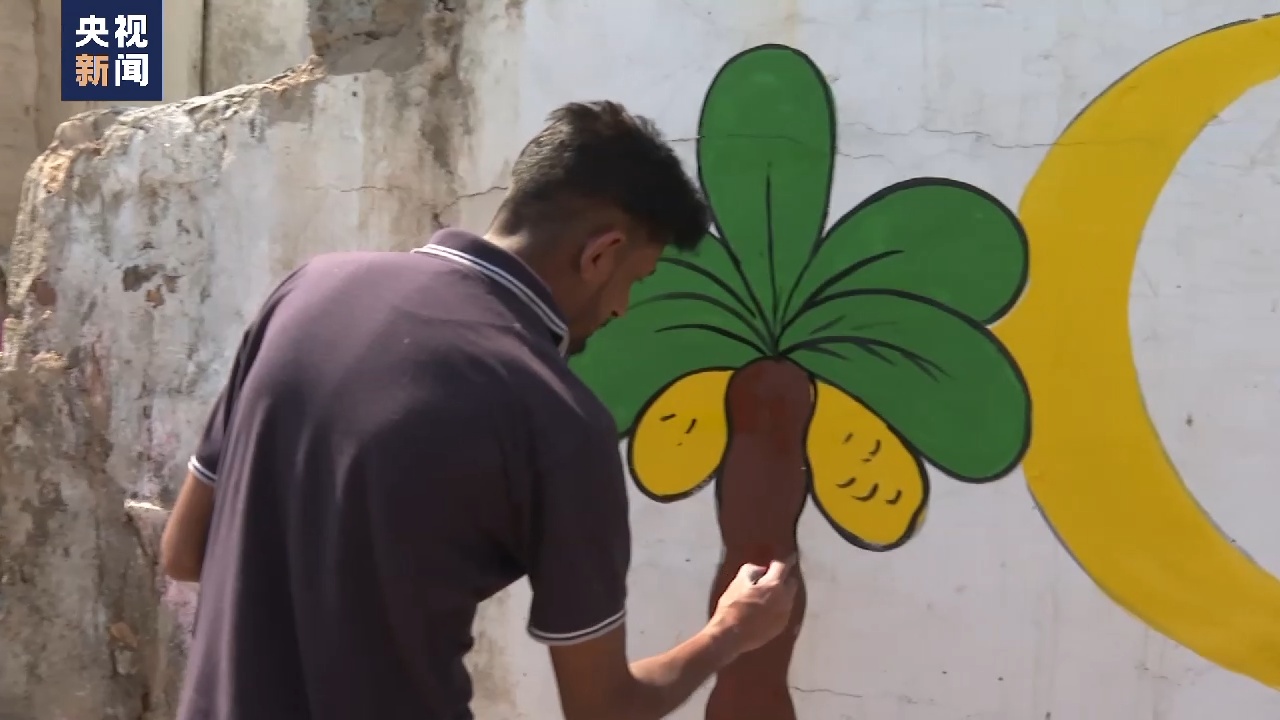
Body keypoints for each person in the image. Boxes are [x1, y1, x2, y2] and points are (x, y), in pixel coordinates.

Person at [160, 100, 798, 720]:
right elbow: (605, 708)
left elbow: (185, 551)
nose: (621, 308)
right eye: (635, 279)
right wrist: (730, 632)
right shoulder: (557, 418)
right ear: (600, 254)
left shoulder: (305, 293)